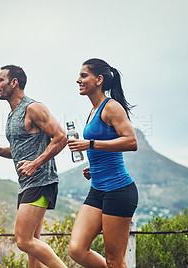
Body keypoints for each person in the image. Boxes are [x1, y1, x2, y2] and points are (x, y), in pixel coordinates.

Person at [0, 65, 67, 268]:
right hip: (27, 183)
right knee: (32, 249)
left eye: (0, 80)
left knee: (23, 240)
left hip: (41, 181)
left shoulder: (33, 108)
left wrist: (36, 164)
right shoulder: (12, 115)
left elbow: (61, 137)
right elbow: (19, 151)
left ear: (14, 82)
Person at [67, 58, 138, 268]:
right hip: (97, 188)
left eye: (83, 75)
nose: (78, 80)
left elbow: (131, 141)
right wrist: (95, 167)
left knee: (115, 260)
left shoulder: (111, 107)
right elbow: (107, 144)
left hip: (119, 190)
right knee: (77, 249)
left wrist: (90, 143)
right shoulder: (93, 110)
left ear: (99, 79)